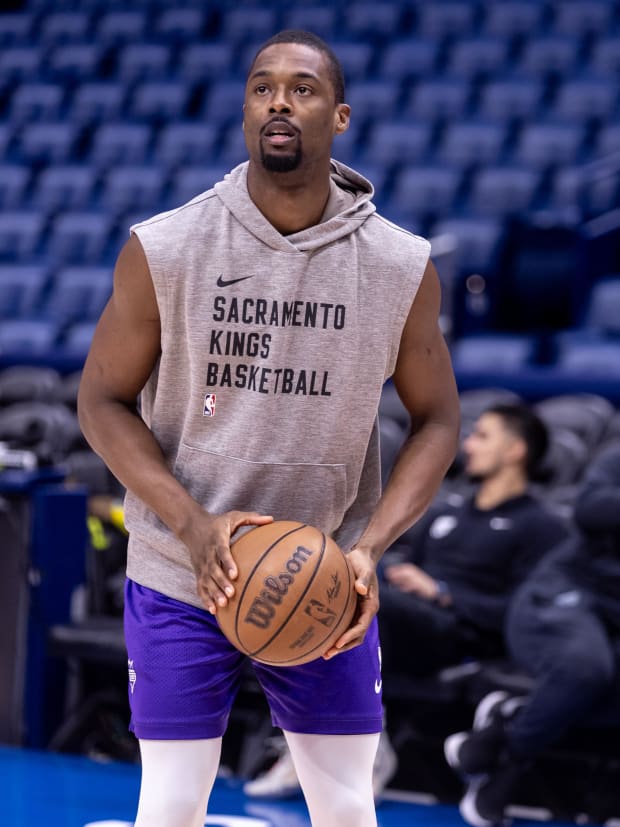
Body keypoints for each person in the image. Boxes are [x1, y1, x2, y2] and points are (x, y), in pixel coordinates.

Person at [77, 30, 460, 827]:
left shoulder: (399, 265)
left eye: (303, 87)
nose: (279, 100)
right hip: (183, 573)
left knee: (349, 809)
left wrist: (367, 551)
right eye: (262, 87)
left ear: (341, 115)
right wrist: (191, 525)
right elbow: (101, 401)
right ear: (247, 110)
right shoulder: (168, 246)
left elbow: (439, 420)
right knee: (171, 805)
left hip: (324, 579)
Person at [243, 403, 568, 800]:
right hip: (412, 621)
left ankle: (367, 745)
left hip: (464, 634)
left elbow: (521, 611)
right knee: (320, 594)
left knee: (368, 608)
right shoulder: (448, 511)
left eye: (483, 436)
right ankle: (306, 738)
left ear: (516, 450)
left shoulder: (542, 525)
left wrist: (441, 592)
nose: (469, 444)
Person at [444, 443, 620, 827]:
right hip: (569, 590)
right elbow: (590, 508)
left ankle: (508, 722)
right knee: (583, 669)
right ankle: (508, 761)